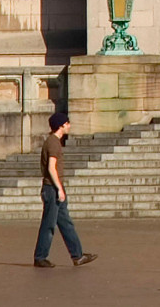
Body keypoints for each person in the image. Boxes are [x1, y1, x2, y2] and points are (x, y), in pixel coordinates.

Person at [33, 114, 97, 269]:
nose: (69, 125)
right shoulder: (53, 143)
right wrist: (59, 189)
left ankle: (77, 255)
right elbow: (51, 168)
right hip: (52, 188)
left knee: (66, 223)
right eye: (67, 123)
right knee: (49, 224)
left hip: (54, 188)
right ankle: (40, 257)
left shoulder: (54, 142)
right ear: (61, 125)